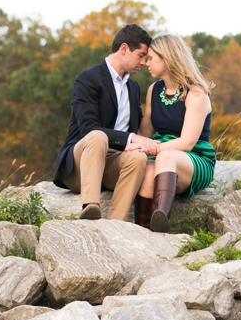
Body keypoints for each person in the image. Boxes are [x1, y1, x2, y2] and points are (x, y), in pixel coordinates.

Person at [52, 24, 160, 221]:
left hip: (113, 163)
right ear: (124, 48)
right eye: (141, 55)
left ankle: (115, 223)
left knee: (137, 158)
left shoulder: (133, 88)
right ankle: (91, 206)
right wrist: (132, 138)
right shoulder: (88, 79)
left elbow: (137, 130)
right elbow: (88, 129)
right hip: (81, 163)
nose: (143, 62)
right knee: (97, 136)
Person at [135, 33, 215, 232]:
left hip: (194, 158)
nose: (146, 63)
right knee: (147, 172)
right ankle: (144, 232)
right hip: (162, 154)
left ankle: (161, 222)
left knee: (166, 158)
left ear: (167, 59)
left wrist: (151, 149)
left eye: (152, 58)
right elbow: (145, 132)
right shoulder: (154, 90)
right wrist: (134, 145)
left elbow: (187, 142)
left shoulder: (195, 93)